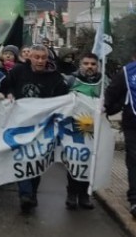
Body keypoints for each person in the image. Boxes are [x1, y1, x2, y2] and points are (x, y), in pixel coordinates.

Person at [0, 44, 69, 213]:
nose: (40, 61)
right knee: (22, 158)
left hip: (42, 127)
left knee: (36, 160)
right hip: (20, 124)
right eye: (36, 57)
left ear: (47, 58)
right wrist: (8, 94)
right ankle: (25, 194)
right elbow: (4, 86)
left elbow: (64, 99)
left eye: (43, 58)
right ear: (29, 57)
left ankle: (32, 193)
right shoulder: (17, 71)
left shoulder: (55, 77)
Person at [63, 53, 103, 210]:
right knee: (75, 160)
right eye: (86, 63)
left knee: (90, 161)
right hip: (74, 128)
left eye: (93, 64)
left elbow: (112, 99)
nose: (89, 67)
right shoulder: (71, 80)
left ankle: (85, 195)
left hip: (95, 128)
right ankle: (71, 194)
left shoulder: (103, 82)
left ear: (98, 66)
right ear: (80, 65)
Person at [104, 48, 136, 218]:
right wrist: (105, 108)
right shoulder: (127, 72)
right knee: (134, 160)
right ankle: (135, 200)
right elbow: (113, 91)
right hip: (133, 124)